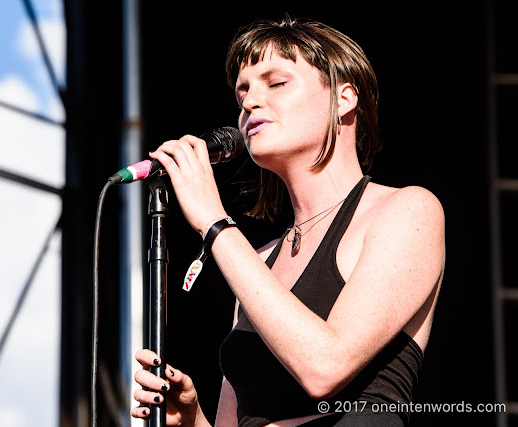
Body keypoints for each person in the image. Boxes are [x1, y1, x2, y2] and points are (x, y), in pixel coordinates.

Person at [130, 16, 445, 427]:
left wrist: (214, 221)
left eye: (275, 83)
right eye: (242, 90)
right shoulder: (256, 261)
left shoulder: (407, 211)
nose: (248, 102)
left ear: (343, 99)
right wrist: (190, 420)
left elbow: (324, 367)